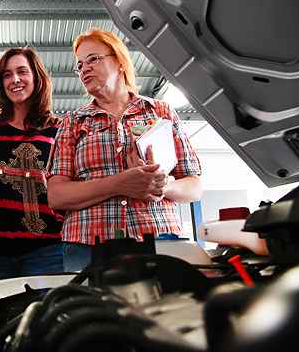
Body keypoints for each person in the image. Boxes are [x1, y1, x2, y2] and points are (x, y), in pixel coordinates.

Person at [46, 29, 203, 272]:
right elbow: (57, 196)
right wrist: (119, 183)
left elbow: (193, 186)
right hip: (88, 244)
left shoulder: (160, 112)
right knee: (91, 310)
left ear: (119, 61)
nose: (84, 68)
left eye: (93, 59)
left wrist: (161, 186)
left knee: (167, 308)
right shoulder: (73, 122)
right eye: (79, 65)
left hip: (159, 236)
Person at [0, 48, 64, 281]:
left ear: (36, 77)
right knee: (0, 316)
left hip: (47, 249)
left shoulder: (58, 128)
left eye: (22, 72)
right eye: (6, 75)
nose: (14, 80)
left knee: (45, 315)